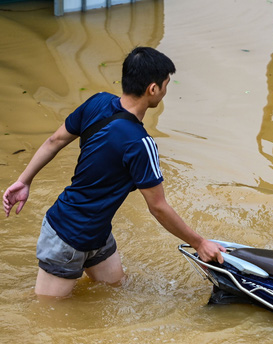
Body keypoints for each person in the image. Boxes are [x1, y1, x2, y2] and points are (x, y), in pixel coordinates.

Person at [2, 46, 223, 298]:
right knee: (48, 316)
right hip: (66, 235)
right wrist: (200, 243)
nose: (165, 90)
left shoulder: (96, 102)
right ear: (153, 89)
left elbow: (54, 140)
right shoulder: (140, 144)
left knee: (116, 292)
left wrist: (24, 181)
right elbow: (158, 206)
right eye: (165, 85)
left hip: (98, 234)